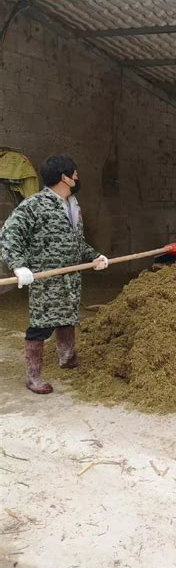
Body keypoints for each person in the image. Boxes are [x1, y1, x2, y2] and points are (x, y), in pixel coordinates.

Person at [0, 154, 108, 395]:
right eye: (75, 175)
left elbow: (77, 242)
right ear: (65, 177)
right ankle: (34, 377)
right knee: (41, 325)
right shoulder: (34, 205)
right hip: (46, 278)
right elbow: (8, 235)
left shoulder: (73, 204)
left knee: (68, 316)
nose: (78, 178)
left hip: (70, 277)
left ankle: (67, 358)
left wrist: (94, 256)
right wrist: (19, 266)